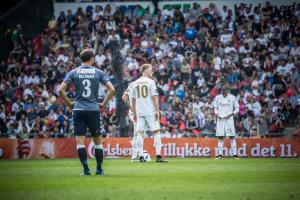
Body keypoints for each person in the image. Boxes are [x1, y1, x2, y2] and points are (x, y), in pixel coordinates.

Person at [58, 49, 115, 175]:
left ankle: (86, 170)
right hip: (93, 110)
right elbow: (112, 89)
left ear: (81, 59)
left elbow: (61, 90)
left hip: (78, 109)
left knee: (80, 142)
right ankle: (99, 170)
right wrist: (103, 104)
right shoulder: (98, 72)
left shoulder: (73, 72)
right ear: (92, 59)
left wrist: (70, 104)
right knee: (98, 142)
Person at [132, 64, 167, 162]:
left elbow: (133, 100)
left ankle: (141, 156)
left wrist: (134, 113)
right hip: (150, 111)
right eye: (151, 70)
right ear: (146, 70)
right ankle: (159, 156)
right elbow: (155, 97)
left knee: (140, 133)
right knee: (156, 132)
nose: (152, 72)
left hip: (139, 111)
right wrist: (157, 111)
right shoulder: (151, 82)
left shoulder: (135, 83)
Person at [213, 85, 239, 159]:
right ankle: (219, 155)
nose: (224, 94)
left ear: (228, 91)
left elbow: (237, 108)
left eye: (225, 92)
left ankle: (235, 155)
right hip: (220, 120)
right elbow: (215, 108)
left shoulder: (232, 97)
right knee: (220, 137)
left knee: (232, 137)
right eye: (222, 92)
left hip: (229, 119)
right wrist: (216, 113)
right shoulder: (218, 97)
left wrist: (232, 114)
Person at [122, 80, 139, 162]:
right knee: (138, 133)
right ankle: (135, 156)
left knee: (138, 133)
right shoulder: (142, 84)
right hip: (138, 112)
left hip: (135, 112)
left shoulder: (131, 85)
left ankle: (138, 154)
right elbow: (124, 97)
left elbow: (124, 98)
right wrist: (132, 109)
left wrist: (131, 108)